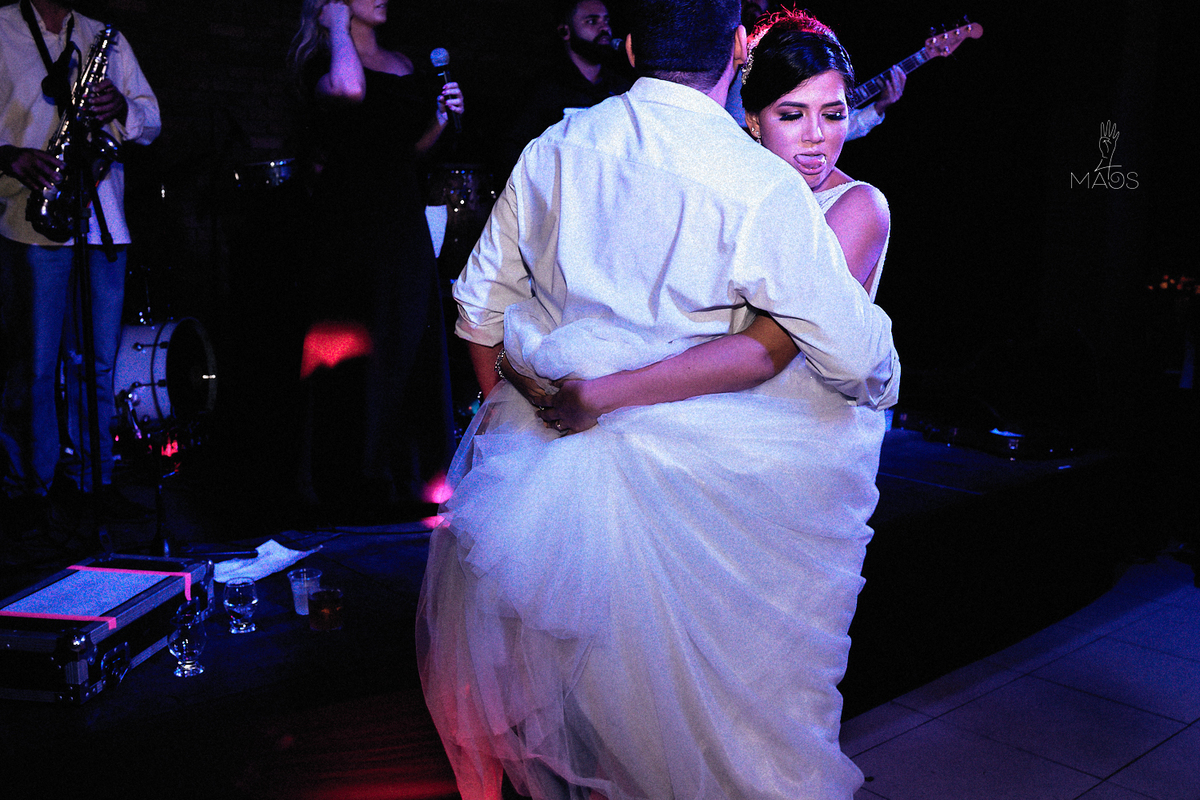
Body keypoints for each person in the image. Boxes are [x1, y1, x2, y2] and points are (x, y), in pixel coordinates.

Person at [417, 2, 899, 798]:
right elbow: (852, 354)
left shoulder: (558, 146)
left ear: (632, 44)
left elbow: (478, 311)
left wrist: (519, 434)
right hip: (716, 503)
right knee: (733, 731)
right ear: (742, 49)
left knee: (598, 719)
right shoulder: (757, 183)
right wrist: (883, 371)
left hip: (560, 492)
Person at [533, 7, 891, 434]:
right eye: (792, 115)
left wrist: (605, 393)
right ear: (754, 122)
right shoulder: (727, 184)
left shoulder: (859, 205)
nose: (816, 134)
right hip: (693, 397)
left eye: (833, 115)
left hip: (792, 420)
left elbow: (766, 349)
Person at [288, 0, 464, 519]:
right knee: (358, 343)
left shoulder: (406, 63)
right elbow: (349, 91)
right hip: (348, 224)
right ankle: (352, 481)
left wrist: (440, 118)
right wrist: (337, 27)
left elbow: (406, 152)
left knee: (406, 337)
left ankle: (408, 478)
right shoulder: (324, 65)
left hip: (401, 217)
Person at [0, 0, 160, 549]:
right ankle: (31, 491)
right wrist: (12, 158)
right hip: (31, 216)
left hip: (101, 219)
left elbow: (151, 120)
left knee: (97, 363)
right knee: (36, 366)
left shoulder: (104, 38)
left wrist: (120, 106)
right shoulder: (0, 29)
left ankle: (95, 481)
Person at [726, 0, 904, 141]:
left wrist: (879, 107)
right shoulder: (717, 46)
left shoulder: (789, 48)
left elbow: (830, 130)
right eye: (792, 115)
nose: (815, 136)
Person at [500, 0, 633, 173]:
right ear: (565, 31)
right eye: (592, 21)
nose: (604, 29)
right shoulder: (545, 89)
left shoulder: (622, 88)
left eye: (606, 21)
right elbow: (513, 149)